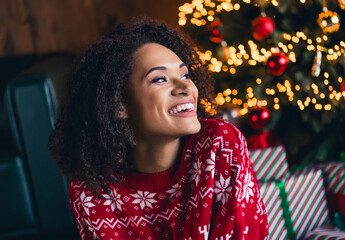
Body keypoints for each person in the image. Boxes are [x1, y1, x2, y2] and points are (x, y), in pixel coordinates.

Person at [49, 17, 269, 240]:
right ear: (118, 104)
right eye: (160, 79)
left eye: (185, 75)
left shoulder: (219, 144)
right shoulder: (92, 191)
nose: (185, 87)